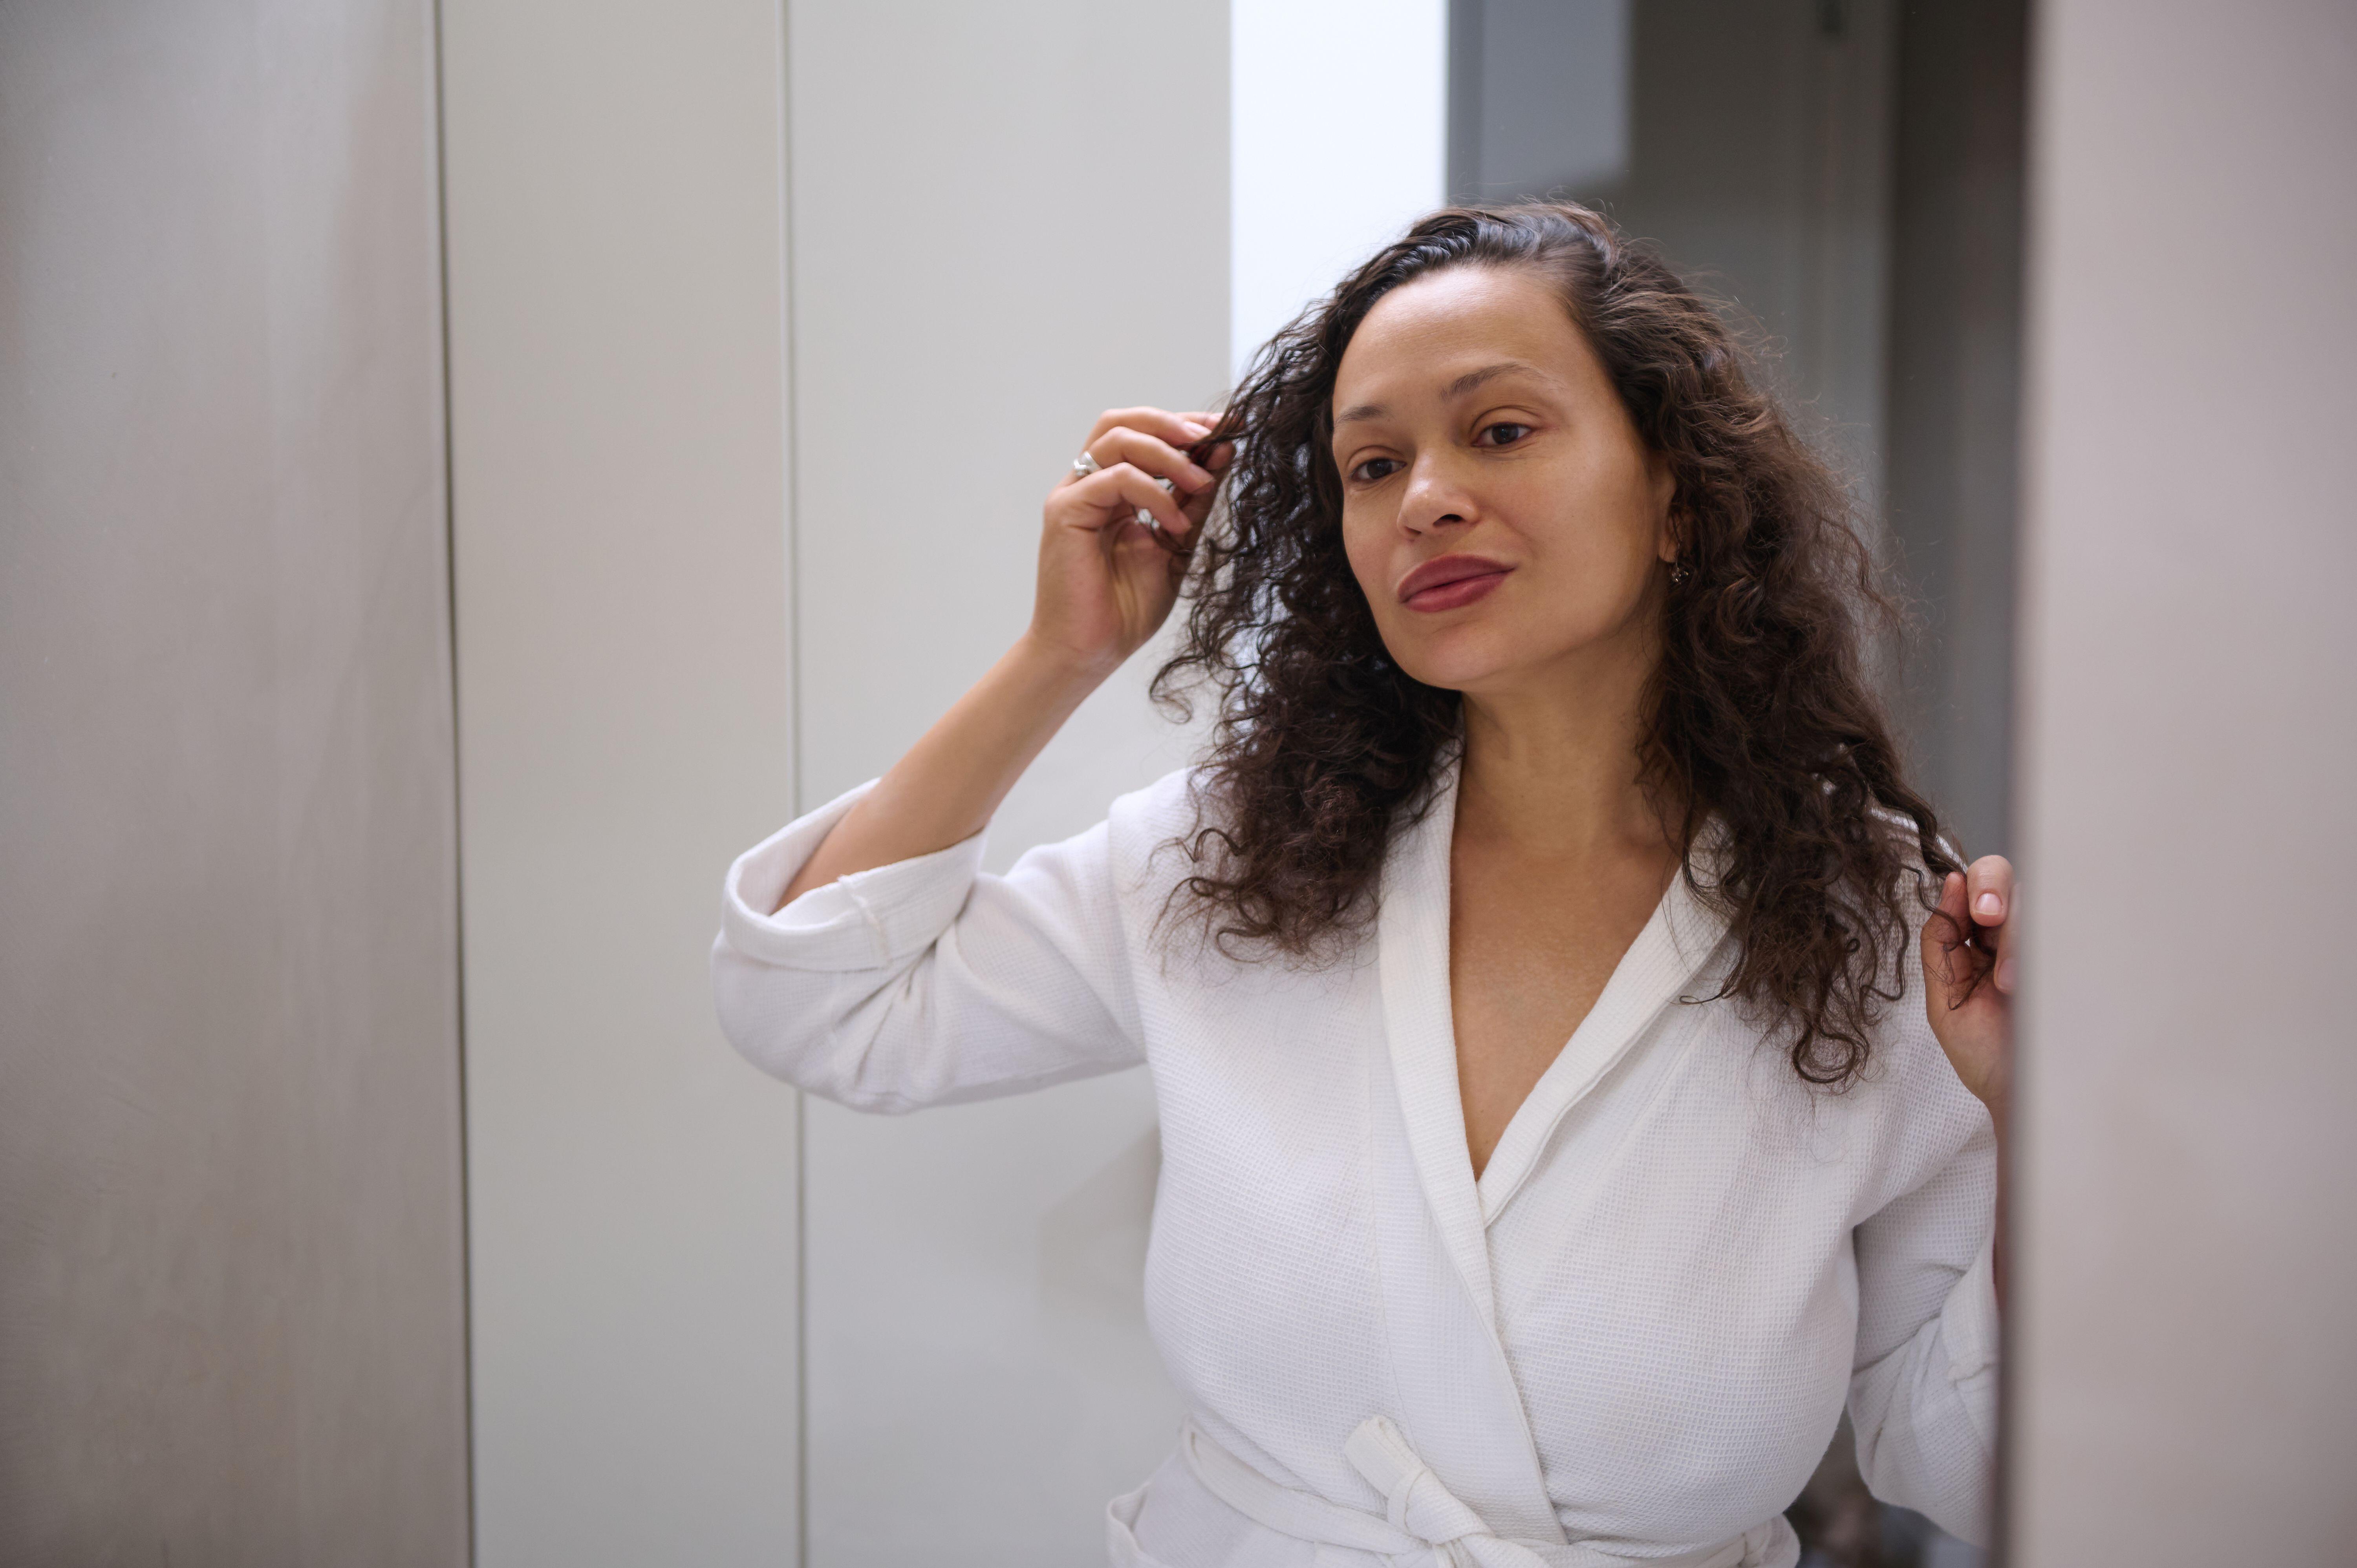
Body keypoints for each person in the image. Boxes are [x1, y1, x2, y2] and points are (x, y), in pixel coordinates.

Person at [712, 203, 2012, 1568]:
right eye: (1372, 464)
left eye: (1499, 430)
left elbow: (1980, 1458)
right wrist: (1058, 656)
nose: (1425, 499)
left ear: (1677, 491)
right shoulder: (1242, 858)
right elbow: (820, 997)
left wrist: (2027, 1107)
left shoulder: (1868, 930)